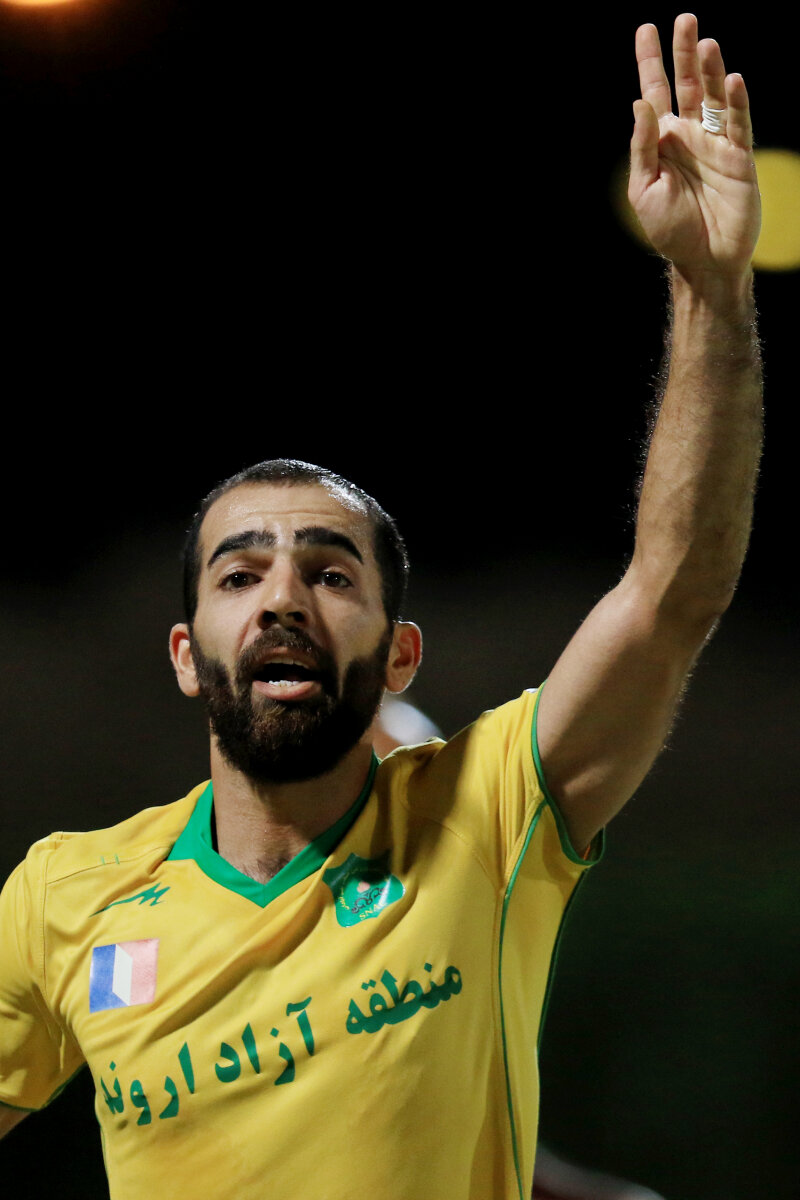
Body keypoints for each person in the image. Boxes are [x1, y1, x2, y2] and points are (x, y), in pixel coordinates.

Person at [0, 15, 762, 1200]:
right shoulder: (66, 896)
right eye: (239, 574)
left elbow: (673, 591)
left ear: (400, 656)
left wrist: (708, 288)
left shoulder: (488, 813)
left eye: (330, 572)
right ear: (186, 656)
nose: (283, 598)